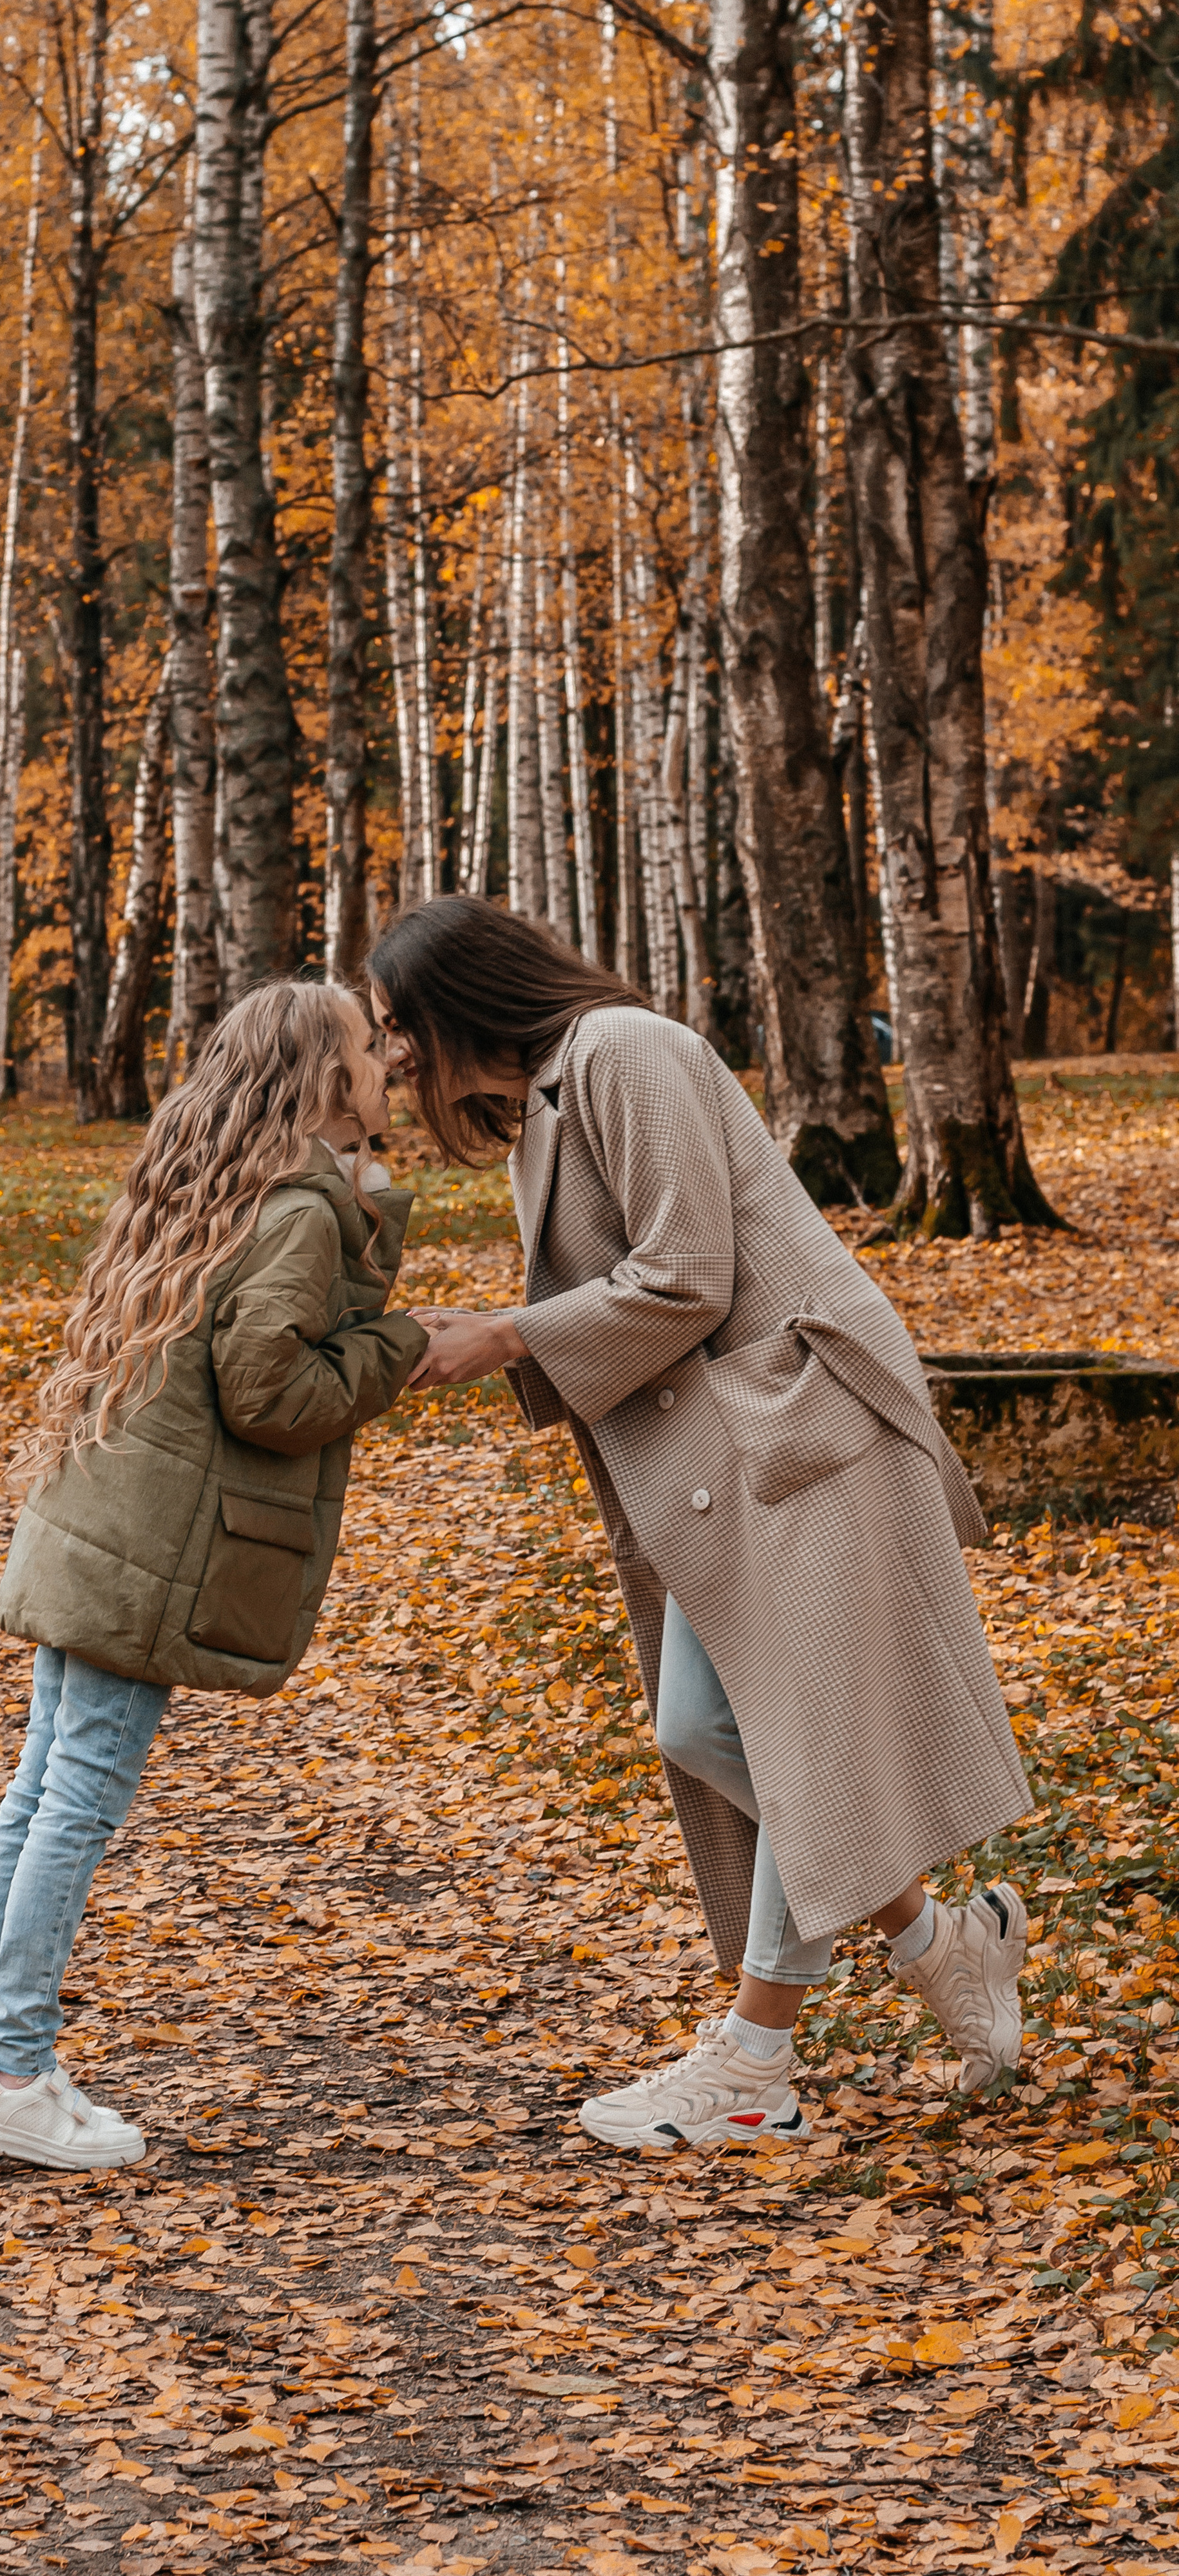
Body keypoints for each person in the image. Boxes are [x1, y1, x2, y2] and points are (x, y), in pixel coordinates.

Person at [370, 897, 1032, 2157]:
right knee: (709, 1724)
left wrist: (502, 1336)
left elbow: (687, 1275)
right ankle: (942, 1946)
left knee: (780, 1728)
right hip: (730, 1462)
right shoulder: (557, 1096)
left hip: (797, 1432)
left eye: (403, 1024)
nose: (396, 1055)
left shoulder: (624, 1050)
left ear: (466, 998)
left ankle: (755, 2062)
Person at [0, 981, 425, 2171]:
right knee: (79, 1794)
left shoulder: (208, 1185)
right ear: (318, 1079)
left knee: (42, 1786)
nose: (389, 1061)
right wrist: (402, 1345)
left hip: (100, 1523)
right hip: (150, 1550)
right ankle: (11, 2066)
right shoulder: (298, 1211)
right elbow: (272, 1393)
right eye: (367, 1047)